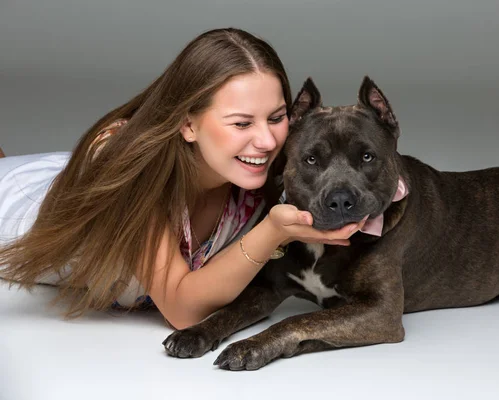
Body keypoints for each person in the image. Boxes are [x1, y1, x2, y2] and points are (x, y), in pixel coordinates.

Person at [0, 28, 365, 330]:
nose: (268, 141)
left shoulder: (266, 160)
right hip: (17, 202)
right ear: (187, 124)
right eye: (241, 123)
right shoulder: (133, 168)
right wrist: (273, 231)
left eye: (276, 117)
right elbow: (182, 310)